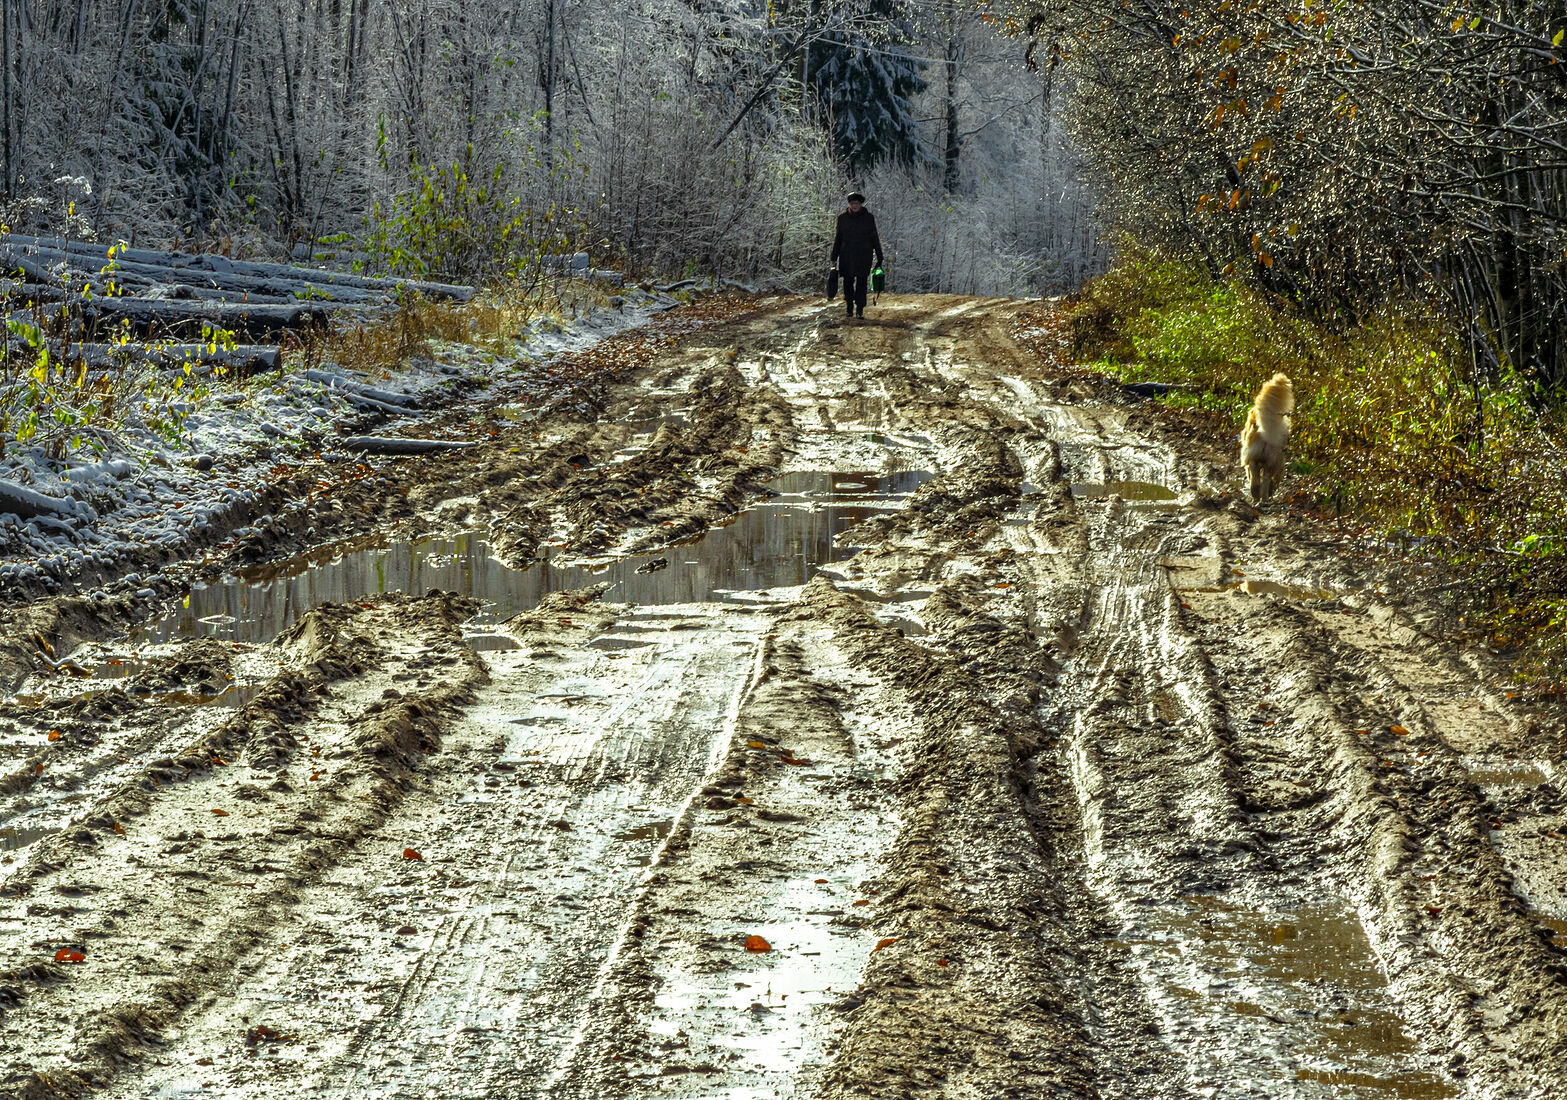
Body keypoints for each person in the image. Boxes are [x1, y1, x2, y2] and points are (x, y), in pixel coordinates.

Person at [830, 191, 884, 321]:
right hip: (846, 255)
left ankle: (859, 309)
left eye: (857, 203)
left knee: (861, 283)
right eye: (852, 203)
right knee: (848, 283)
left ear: (861, 204)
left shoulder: (868, 218)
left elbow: (874, 237)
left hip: (863, 255)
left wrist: (879, 255)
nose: (854, 206)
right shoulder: (842, 218)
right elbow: (838, 238)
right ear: (849, 204)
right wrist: (834, 257)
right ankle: (849, 307)